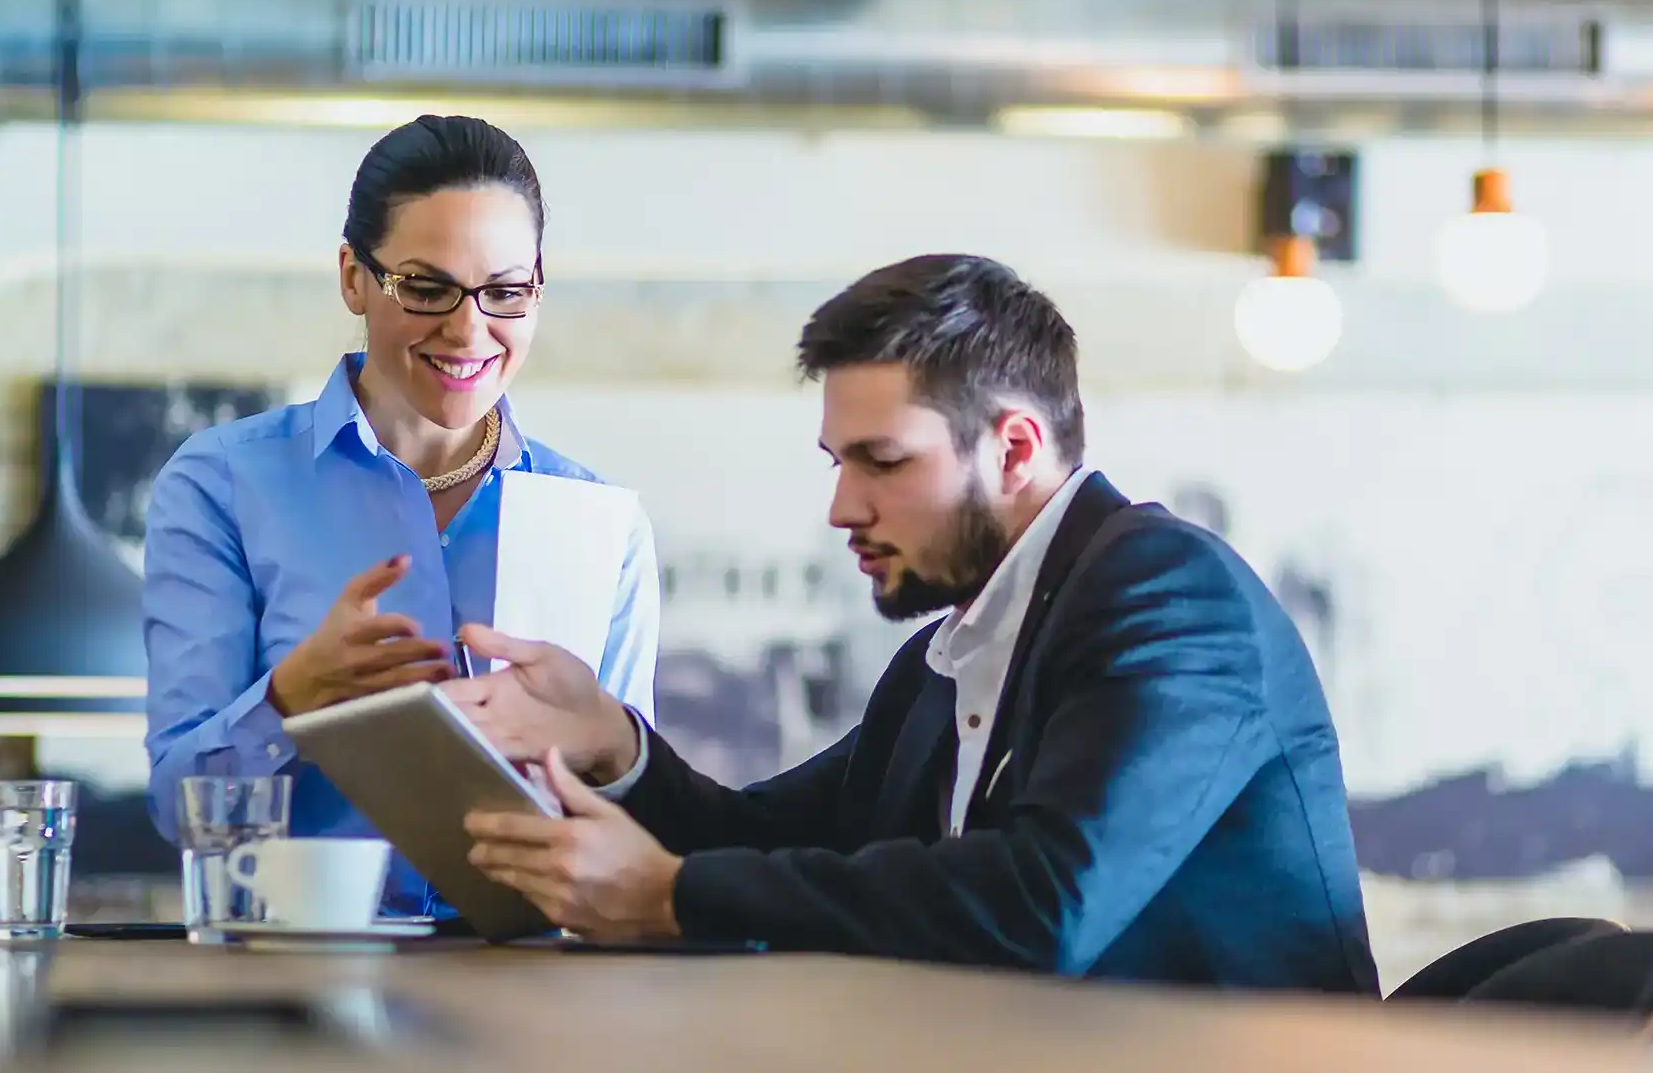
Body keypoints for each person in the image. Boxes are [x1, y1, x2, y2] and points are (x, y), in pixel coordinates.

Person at [448, 254, 1381, 992]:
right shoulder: (944, 660)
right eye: (837, 464)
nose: (843, 507)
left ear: (1014, 447)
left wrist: (670, 898)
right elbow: (764, 840)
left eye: (883, 461)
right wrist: (612, 744)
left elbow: (1044, 901)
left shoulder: (1168, 595)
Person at [140, 114, 661, 919]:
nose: (467, 328)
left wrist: (596, 748)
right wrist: (290, 698)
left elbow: (637, 809)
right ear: (354, 276)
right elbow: (180, 809)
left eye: (505, 292)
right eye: (426, 287)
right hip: (298, 981)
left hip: (537, 990)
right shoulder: (223, 484)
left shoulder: (597, 520)